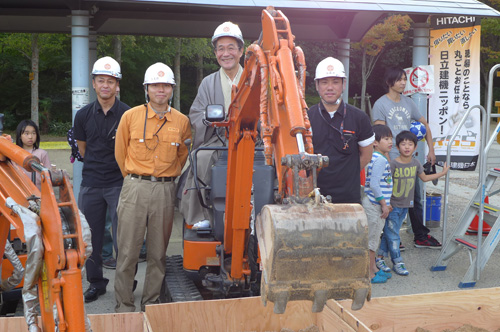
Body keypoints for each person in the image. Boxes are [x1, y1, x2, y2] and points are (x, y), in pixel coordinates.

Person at [114, 62, 191, 312]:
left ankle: (151, 303)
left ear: (171, 90)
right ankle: (124, 305)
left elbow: (182, 155)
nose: (160, 90)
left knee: (158, 253)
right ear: (147, 89)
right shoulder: (130, 116)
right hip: (135, 187)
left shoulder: (181, 121)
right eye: (155, 85)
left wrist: (167, 179)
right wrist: (134, 178)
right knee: (127, 252)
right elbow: (120, 153)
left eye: (165, 85)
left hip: (165, 191)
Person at [73, 56, 129, 302]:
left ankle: (126, 283)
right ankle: (96, 283)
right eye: (100, 81)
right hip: (92, 183)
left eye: (110, 81)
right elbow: (83, 150)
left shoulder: (129, 114)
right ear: (93, 84)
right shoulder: (83, 115)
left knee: (124, 235)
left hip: (120, 182)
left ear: (117, 85)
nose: (105, 85)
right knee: (90, 237)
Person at [180, 21, 244, 228]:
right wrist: (209, 119)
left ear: (241, 51)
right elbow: (196, 112)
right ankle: (203, 216)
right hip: (216, 139)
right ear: (215, 53)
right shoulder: (208, 82)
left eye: (231, 48)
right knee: (201, 159)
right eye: (221, 49)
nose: (226, 54)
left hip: (250, 139)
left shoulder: (254, 80)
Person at [372, 67, 441, 249]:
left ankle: (420, 236)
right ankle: (391, 236)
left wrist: (431, 150)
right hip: (392, 160)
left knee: (415, 197)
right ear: (389, 83)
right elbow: (380, 135)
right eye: (399, 80)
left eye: (404, 79)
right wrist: (386, 158)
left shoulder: (408, 102)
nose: (403, 82)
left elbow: (424, 125)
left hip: (410, 160)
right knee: (391, 199)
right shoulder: (380, 104)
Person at [376, 131, 449, 276]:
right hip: (393, 206)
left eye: (410, 144)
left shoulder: (415, 163)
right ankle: (398, 261)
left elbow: (425, 178)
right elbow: (385, 185)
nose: (407, 147)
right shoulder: (393, 164)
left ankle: (379, 258)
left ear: (415, 147)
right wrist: (385, 203)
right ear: (397, 147)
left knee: (389, 233)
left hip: (405, 206)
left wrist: (442, 173)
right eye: (403, 144)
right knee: (394, 235)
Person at [307, 57, 375, 204]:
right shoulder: (306, 118)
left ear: (344, 84)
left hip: (348, 197)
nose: (330, 87)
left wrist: (347, 174)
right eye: (324, 82)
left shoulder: (359, 118)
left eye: (335, 82)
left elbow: (367, 155)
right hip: (314, 196)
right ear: (317, 85)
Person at [361, 124, 393, 284]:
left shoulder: (374, 157)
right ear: (375, 142)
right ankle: (369, 274)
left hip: (373, 203)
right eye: (386, 139)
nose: (390, 142)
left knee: (373, 238)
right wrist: (384, 204)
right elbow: (374, 184)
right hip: (375, 205)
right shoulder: (380, 160)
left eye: (391, 138)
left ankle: (373, 268)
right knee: (372, 241)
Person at [15, 119, 51, 189]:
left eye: (33, 133)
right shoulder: (15, 153)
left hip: (39, 192)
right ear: (20, 136)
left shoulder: (42, 153)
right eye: (26, 133)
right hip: (20, 191)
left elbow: (49, 175)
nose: (30, 137)